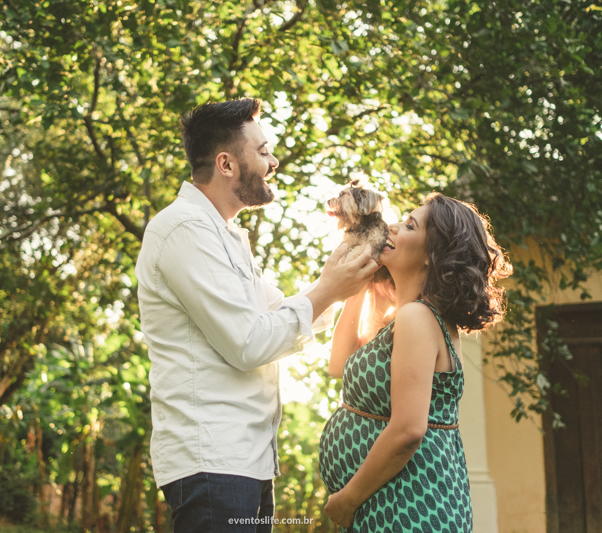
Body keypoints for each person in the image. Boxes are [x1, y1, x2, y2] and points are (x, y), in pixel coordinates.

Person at [136, 98, 378, 532]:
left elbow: (279, 314)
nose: (274, 161)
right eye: (263, 151)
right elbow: (248, 343)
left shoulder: (224, 234)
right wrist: (328, 289)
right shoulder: (184, 228)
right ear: (226, 164)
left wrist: (344, 275)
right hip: (213, 461)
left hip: (245, 462)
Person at [319, 192, 512, 532]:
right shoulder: (409, 317)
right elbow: (339, 366)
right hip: (392, 502)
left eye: (409, 225)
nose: (391, 227)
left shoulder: (417, 318)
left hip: (408, 506)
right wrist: (362, 280)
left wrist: (347, 499)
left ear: (431, 256)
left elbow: (408, 431)